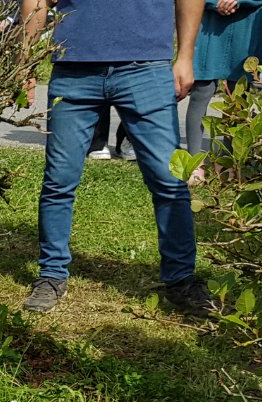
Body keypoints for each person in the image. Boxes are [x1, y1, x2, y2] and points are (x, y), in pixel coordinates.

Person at [19, 0, 218, 316]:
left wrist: (185, 56)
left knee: (170, 180)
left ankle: (181, 280)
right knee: (59, 180)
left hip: (147, 68)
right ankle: (51, 274)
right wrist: (25, 62)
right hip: (73, 67)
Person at [185, 0, 262, 181]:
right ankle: (194, 162)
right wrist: (215, 3)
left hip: (246, 25)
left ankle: (228, 162)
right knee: (201, 91)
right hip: (209, 26)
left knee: (237, 96)